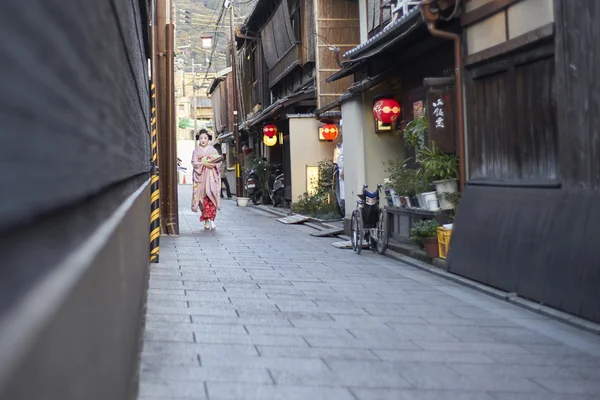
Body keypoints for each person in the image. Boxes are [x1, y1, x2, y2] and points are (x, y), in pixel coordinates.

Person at [191, 129, 222, 230]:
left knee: (211, 196)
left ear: (208, 139)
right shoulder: (196, 151)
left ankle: (212, 219)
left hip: (211, 177)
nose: (203, 140)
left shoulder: (213, 150)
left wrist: (213, 164)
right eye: (201, 138)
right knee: (203, 199)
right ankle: (206, 220)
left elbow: (219, 162)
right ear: (198, 139)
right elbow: (194, 163)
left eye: (205, 138)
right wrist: (203, 163)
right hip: (201, 177)